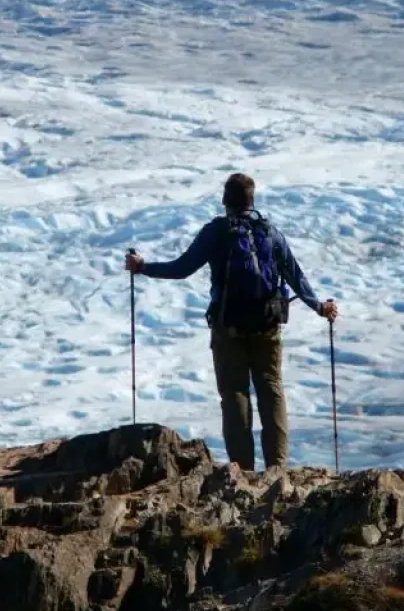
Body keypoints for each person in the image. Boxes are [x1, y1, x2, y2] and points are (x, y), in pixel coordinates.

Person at [125, 173, 338, 472]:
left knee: (235, 394)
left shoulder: (217, 232)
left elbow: (183, 268)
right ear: (252, 200)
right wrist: (319, 306)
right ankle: (278, 468)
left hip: (229, 328)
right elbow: (294, 274)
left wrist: (143, 268)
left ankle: (243, 472)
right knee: (271, 389)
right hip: (268, 325)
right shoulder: (269, 231)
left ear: (226, 201)